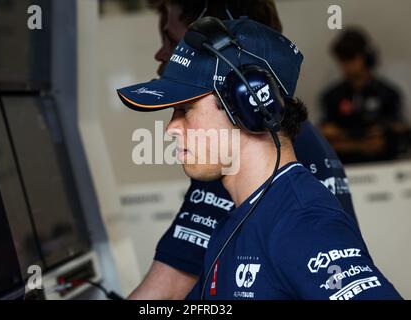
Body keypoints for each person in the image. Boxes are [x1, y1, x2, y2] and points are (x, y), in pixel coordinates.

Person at [117, 16, 402, 300]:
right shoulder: (238, 224)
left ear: (249, 104)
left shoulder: (301, 224)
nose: (171, 128)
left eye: (185, 110)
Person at [320, 27, 407, 164]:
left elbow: (397, 130)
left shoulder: (388, 94)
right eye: (342, 59)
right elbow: (327, 133)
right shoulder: (332, 96)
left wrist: (382, 130)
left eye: (351, 57)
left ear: (365, 57)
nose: (347, 65)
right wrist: (361, 141)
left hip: (385, 168)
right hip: (345, 168)